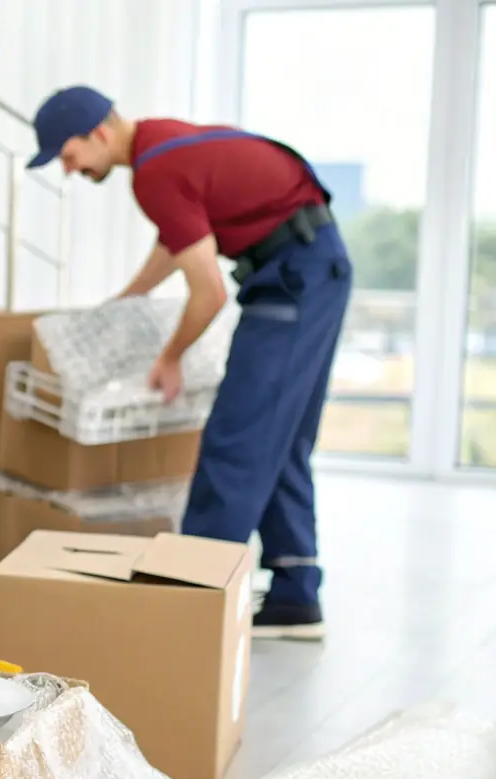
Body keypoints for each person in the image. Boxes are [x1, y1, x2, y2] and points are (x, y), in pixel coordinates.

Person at [26, 85, 352, 641]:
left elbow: (209, 293)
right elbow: (179, 238)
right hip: (313, 266)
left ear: (98, 133)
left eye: (68, 154)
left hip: (292, 280)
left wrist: (169, 358)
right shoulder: (162, 143)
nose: (68, 169)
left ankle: (188, 605)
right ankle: (297, 594)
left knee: (237, 438)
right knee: (280, 438)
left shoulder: (153, 173)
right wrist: (129, 296)